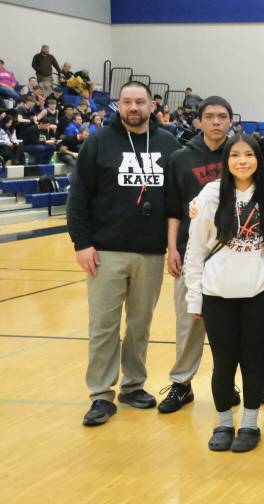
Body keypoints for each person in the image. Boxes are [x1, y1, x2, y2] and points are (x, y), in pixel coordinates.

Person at [68, 81, 181, 426]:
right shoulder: (99, 142)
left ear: (151, 106)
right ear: (119, 105)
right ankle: (101, 395)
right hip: (105, 250)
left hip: (150, 251)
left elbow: (177, 199)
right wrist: (81, 243)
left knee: (139, 325)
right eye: (127, 102)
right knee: (103, 325)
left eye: (140, 102)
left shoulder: (168, 143)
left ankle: (134, 385)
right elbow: (79, 196)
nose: (134, 107)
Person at [184, 134, 264, 453]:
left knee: (253, 361)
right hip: (217, 293)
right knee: (223, 362)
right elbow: (195, 250)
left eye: (249, 154)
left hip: (260, 291)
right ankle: (223, 424)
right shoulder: (210, 194)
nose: (242, 161)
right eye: (235, 155)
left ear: (258, 159)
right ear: (225, 160)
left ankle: (250, 424)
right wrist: (193, 296)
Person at [160, 96, 234, 414]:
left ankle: (226, 382)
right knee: (189, 321)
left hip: (234, 252)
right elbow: (173, 208)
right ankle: (182, 383)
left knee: (229, 324)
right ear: (198, 121)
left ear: (231, 121)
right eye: (210, 116)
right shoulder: (180, 158)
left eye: (222, 116)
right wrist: (172, 247)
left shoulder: (242, 152)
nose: (216, 122)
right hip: (194, 252)